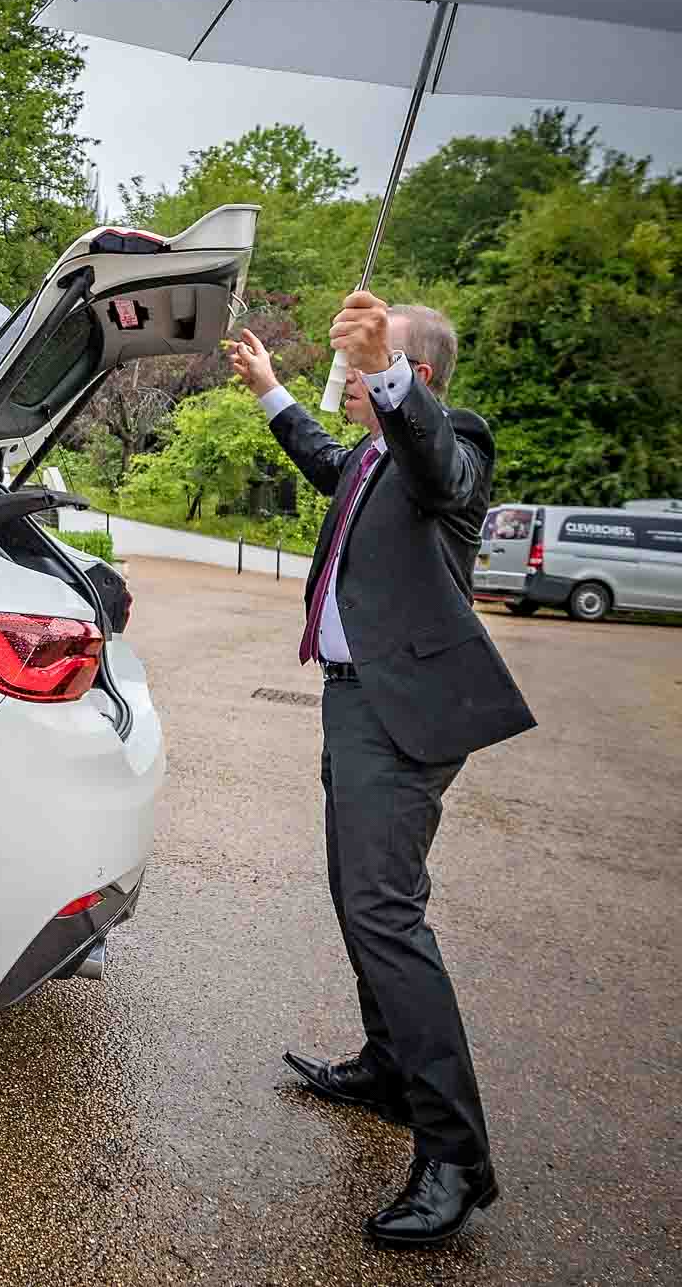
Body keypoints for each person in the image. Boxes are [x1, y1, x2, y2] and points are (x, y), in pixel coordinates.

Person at [230, 291, 535, 1247]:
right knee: (358, 893)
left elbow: (435, 462)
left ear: (419, 377)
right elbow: (329, 459)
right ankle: (389, 1067)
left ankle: (456, 1154)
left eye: (375, 363)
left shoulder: (455, 445)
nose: (354, 376)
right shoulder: (365, 452)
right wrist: (277, 389)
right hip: (352, 701)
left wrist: (390, 376)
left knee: (385, 912)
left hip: (402, 717)